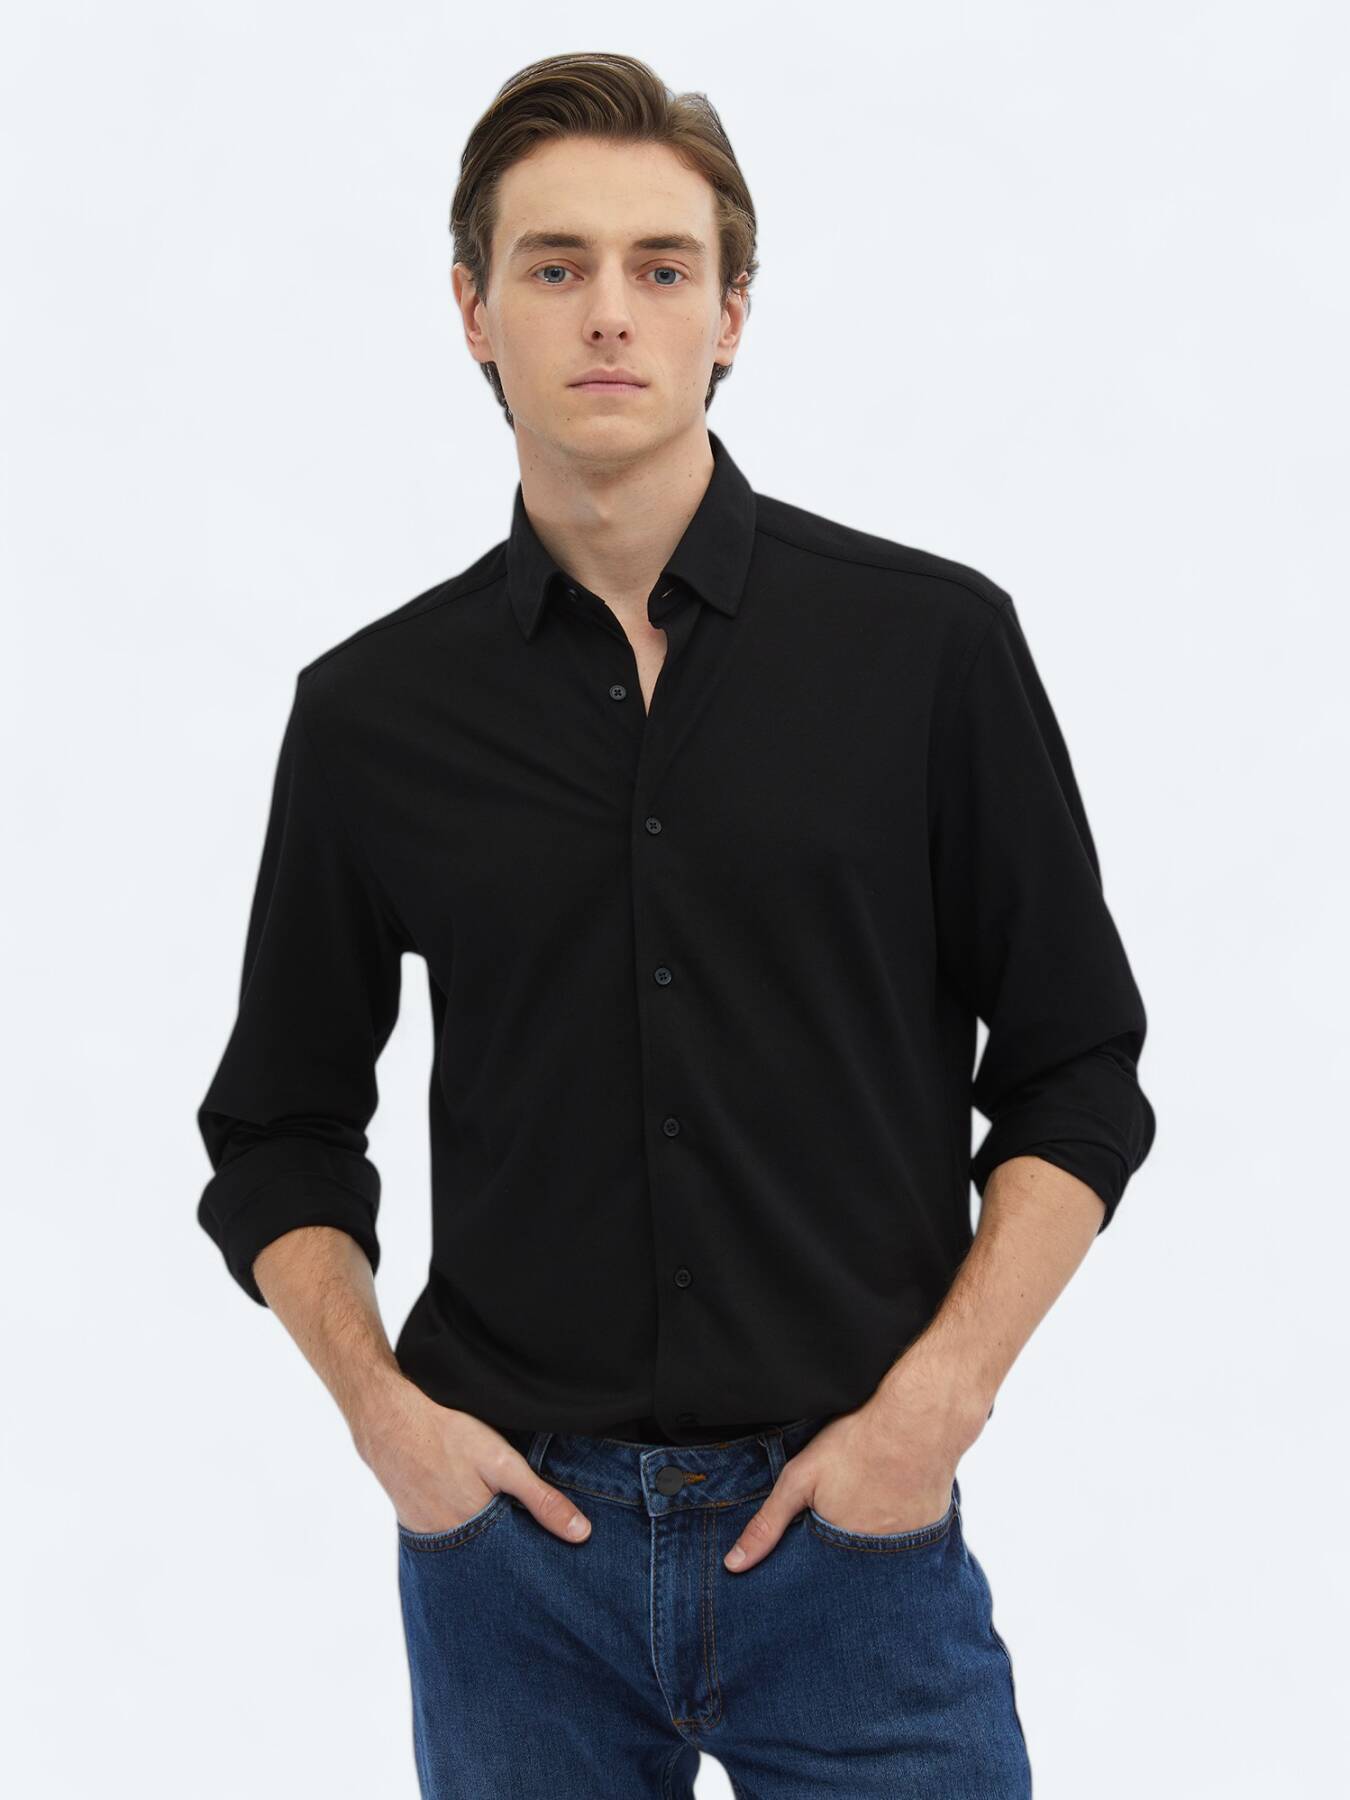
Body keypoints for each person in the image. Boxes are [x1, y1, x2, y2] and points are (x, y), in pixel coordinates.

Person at [195, 49, 1156, 1799]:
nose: (608, 313)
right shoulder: (372, 713)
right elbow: (275, 1129)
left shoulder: (927, 651)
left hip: (856, 1539)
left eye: (660, 266)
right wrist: (387, 1421)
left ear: (731, 314)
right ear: (473, 311)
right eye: (553, 265)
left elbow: (1078, 1068)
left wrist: (935, 1410)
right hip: (510, 1564)